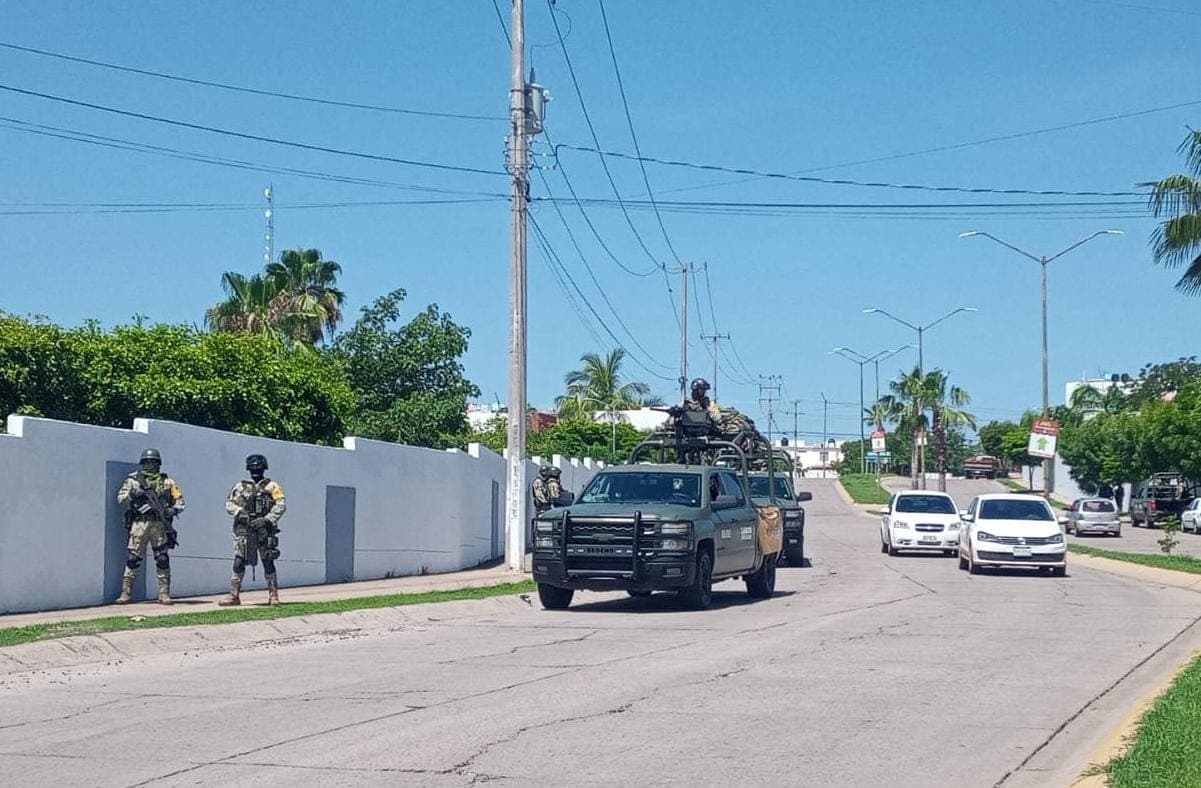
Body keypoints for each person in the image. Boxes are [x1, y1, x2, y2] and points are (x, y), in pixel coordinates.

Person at [115, 449, 186, 605]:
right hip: (140, 524)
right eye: (147, 462)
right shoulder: (133, 481)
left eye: (153, 462)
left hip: (159, 525)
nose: (150, 465)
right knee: (133, 558)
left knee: (162, 559)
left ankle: (164, 593)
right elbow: (121, 498)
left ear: (158, 464)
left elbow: (180, 501)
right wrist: (135, 494)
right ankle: (126, 593)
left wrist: (173, 510)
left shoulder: (168, 482)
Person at [219, 454, 286, 607]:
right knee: (239, 561)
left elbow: (281, 505)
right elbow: (229, 504)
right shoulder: (240, 486)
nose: (256, 470)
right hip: (244, 530)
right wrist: (240, 513)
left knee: (268, 560)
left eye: (259, 467)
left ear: (264, 468)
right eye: (253, 467)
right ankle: (234, 595)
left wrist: (267, 519)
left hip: (264, 529)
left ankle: (273, 595)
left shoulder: (272, 486)